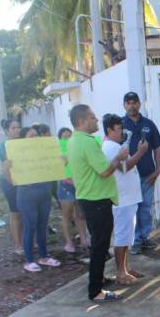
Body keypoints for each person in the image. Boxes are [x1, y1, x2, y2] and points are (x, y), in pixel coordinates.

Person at [67, 104, 129, 302]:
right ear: (83, 121)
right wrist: (119, 157)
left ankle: (99, 279)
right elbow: (105, 171)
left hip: (89, 197)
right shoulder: (87, 142)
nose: (96, 120)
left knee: (99, 243)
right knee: (100, 246)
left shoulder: (74, 140)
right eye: (93, 117)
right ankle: (95, 291)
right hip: (97, 200)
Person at [4, 127, 61, 272]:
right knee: (30, 227)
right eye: (31, 136)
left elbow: (55, 170)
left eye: (36, 135)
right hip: (26, 195)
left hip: (44, 192)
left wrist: (63, 162)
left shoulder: (45, 152)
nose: (35, 138)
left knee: (42, 226)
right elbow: (12, 181)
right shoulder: (16, 155)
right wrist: (6, 169)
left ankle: (44, 256)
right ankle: (29, 260)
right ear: (23, 139)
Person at [101, 114, 148, 285]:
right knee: (122, 237)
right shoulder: (111, 148)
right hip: (122, 199)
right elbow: (125, 167)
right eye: (119, 128)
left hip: (127, 198)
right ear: (110, 129)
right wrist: (140, 152)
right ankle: (121, 272)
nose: (122, 131)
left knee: (127, 236)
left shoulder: (114, 146)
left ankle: (126, 268)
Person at [122, 92, 160, 255]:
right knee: (133, 209)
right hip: (128, 176)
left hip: (147, 175)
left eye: (134, 102)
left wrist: (158, 170)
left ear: (139, 104)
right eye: (128, 103)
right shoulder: (120, 125)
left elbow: (157, 148)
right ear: (124, 105)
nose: (132, 106)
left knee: (146, 208)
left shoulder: (148, 124)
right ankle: (135, 241)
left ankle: (144, 237)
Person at [57, 128, 89, 253]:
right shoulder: (58, 153)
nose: (67, 139)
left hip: (79, 184)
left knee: (80, 214)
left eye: (69, 136)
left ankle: (84, 239)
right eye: (64, 137)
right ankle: (69, 242)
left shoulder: (77, 149)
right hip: (66, 185)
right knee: (67, 215)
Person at [0, 119, 23, 255]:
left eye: (18, 127)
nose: (17, 130)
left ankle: (27, 242)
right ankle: (18, 245)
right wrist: (13, 183)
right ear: (7, 131)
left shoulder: (23, 143)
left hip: (23, 181)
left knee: (25, 212)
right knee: (16, 213)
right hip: (8, 182)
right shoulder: (4, 146)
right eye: (13, 128)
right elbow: (6, 168)